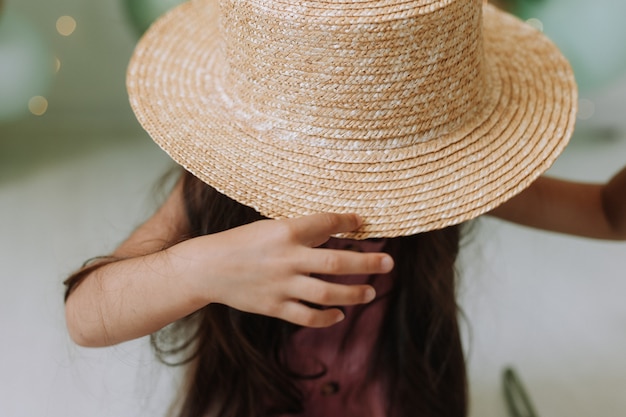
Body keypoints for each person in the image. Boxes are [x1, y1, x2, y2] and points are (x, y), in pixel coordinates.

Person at [64, 0, 626, 416]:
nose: (351, 175)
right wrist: (204, 269)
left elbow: (605, 212)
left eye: (378, 141)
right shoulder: (215, 190)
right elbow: (86, 316)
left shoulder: (448, 182)